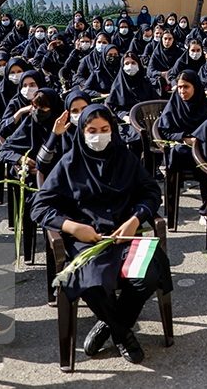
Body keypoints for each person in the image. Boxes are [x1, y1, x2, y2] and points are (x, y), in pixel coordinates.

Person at [31, 105, 171, 364]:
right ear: (81, 132)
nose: (98, 136)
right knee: (91, 283)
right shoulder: (69, 163)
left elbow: (150, 192)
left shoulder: (125, 157)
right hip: (87, 242)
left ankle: (109, 326)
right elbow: (39, 206)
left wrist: (135, 218)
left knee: (148, 276)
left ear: (113, 130)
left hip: (125, 236)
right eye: (91, 130)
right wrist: (72, 227)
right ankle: (123, 335)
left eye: (104, 130)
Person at [158, 70, 207, 223]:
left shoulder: (205, 105)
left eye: (187, 87)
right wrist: (184, 138)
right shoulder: (175, 103)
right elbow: (164, 130)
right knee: (182, 153)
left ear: (195, 87)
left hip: (202, 148)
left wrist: (199, 139)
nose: (182, 91)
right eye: (180, 87)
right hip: (183, 151)